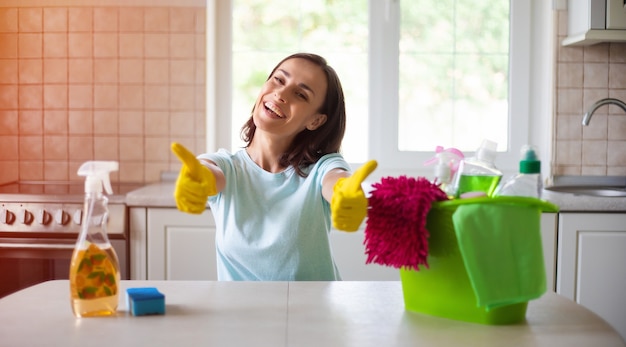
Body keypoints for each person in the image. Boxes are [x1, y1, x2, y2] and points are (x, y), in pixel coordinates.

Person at [171, 53, 377, 281]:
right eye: (279, 80)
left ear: (315, 120)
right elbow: (208, 173)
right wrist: (197, 178)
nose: (280, 93)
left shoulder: (321, 169)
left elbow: (337, 180)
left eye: (300, 94)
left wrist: (345, 193)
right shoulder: (227, 167)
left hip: (314, 313)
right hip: (240, 314)